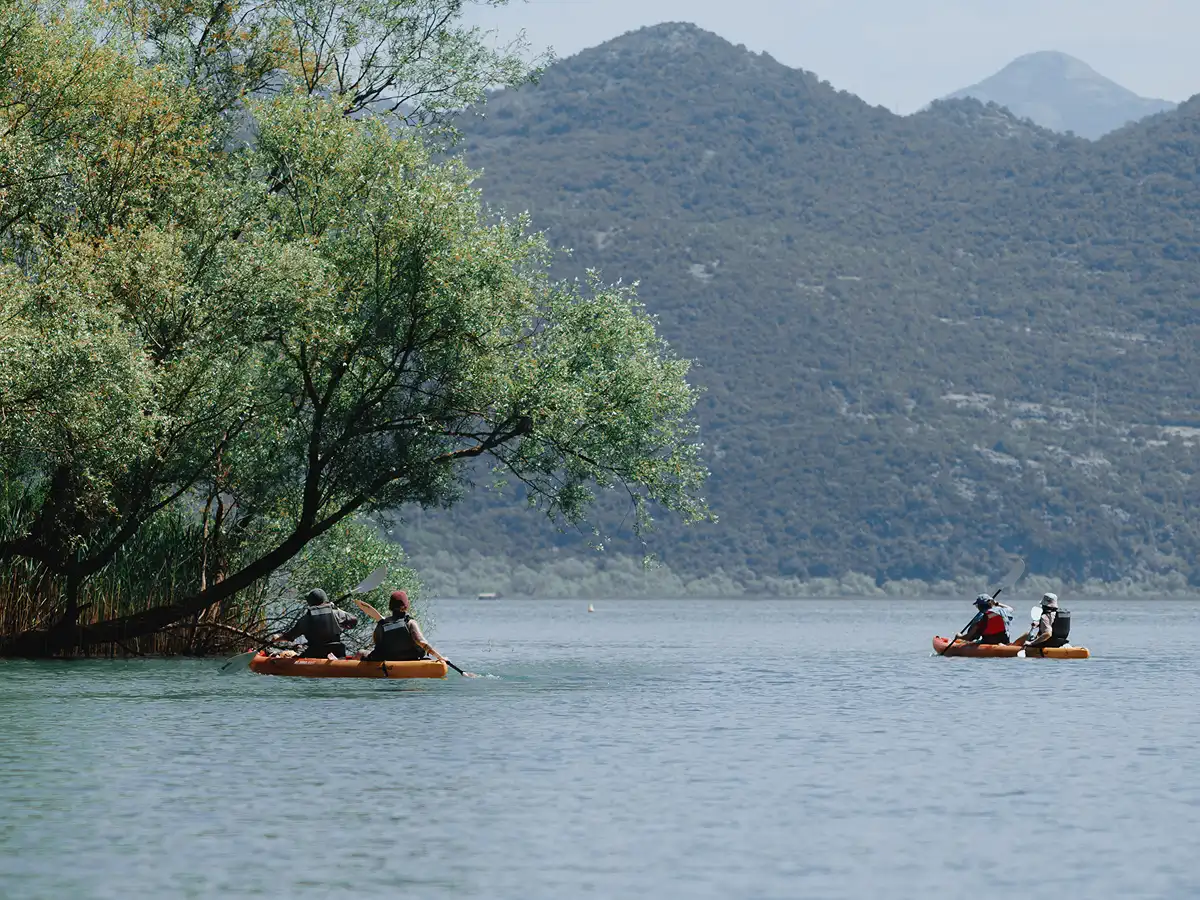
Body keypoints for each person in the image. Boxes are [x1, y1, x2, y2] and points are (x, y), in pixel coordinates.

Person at [362, 590, 445, 663]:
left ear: (390, 606)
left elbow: (377, 644)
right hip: (411, 658)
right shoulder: (410, 623)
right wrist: (440, 657)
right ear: (406, 606)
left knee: (361, 652)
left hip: (387, 659)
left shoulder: (382, 624)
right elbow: (422, 642)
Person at [273, 588, 358, 658]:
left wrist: (277, 638)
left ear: (310, 603)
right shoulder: (337, 613)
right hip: (337, 653)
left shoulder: (306, 618)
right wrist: (336, 609)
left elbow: (289, 636)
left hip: (316, 654)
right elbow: (354, 621)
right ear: (326, 601)